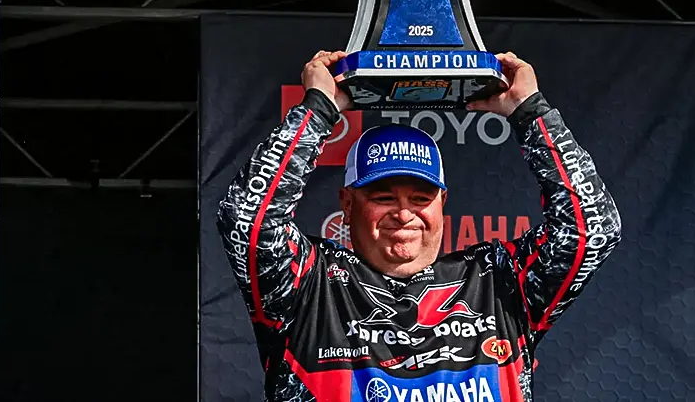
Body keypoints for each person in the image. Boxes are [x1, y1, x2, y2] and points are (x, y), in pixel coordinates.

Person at [217, 49, 622, 402]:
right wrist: (319, 107)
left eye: (420, 198)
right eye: (383, 197)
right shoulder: (309, 284)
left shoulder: (497, 283)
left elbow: (593, 228)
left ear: (442, 203)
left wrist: (530, 111)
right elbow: (246, 220)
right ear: (347, 203)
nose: (403, 213)